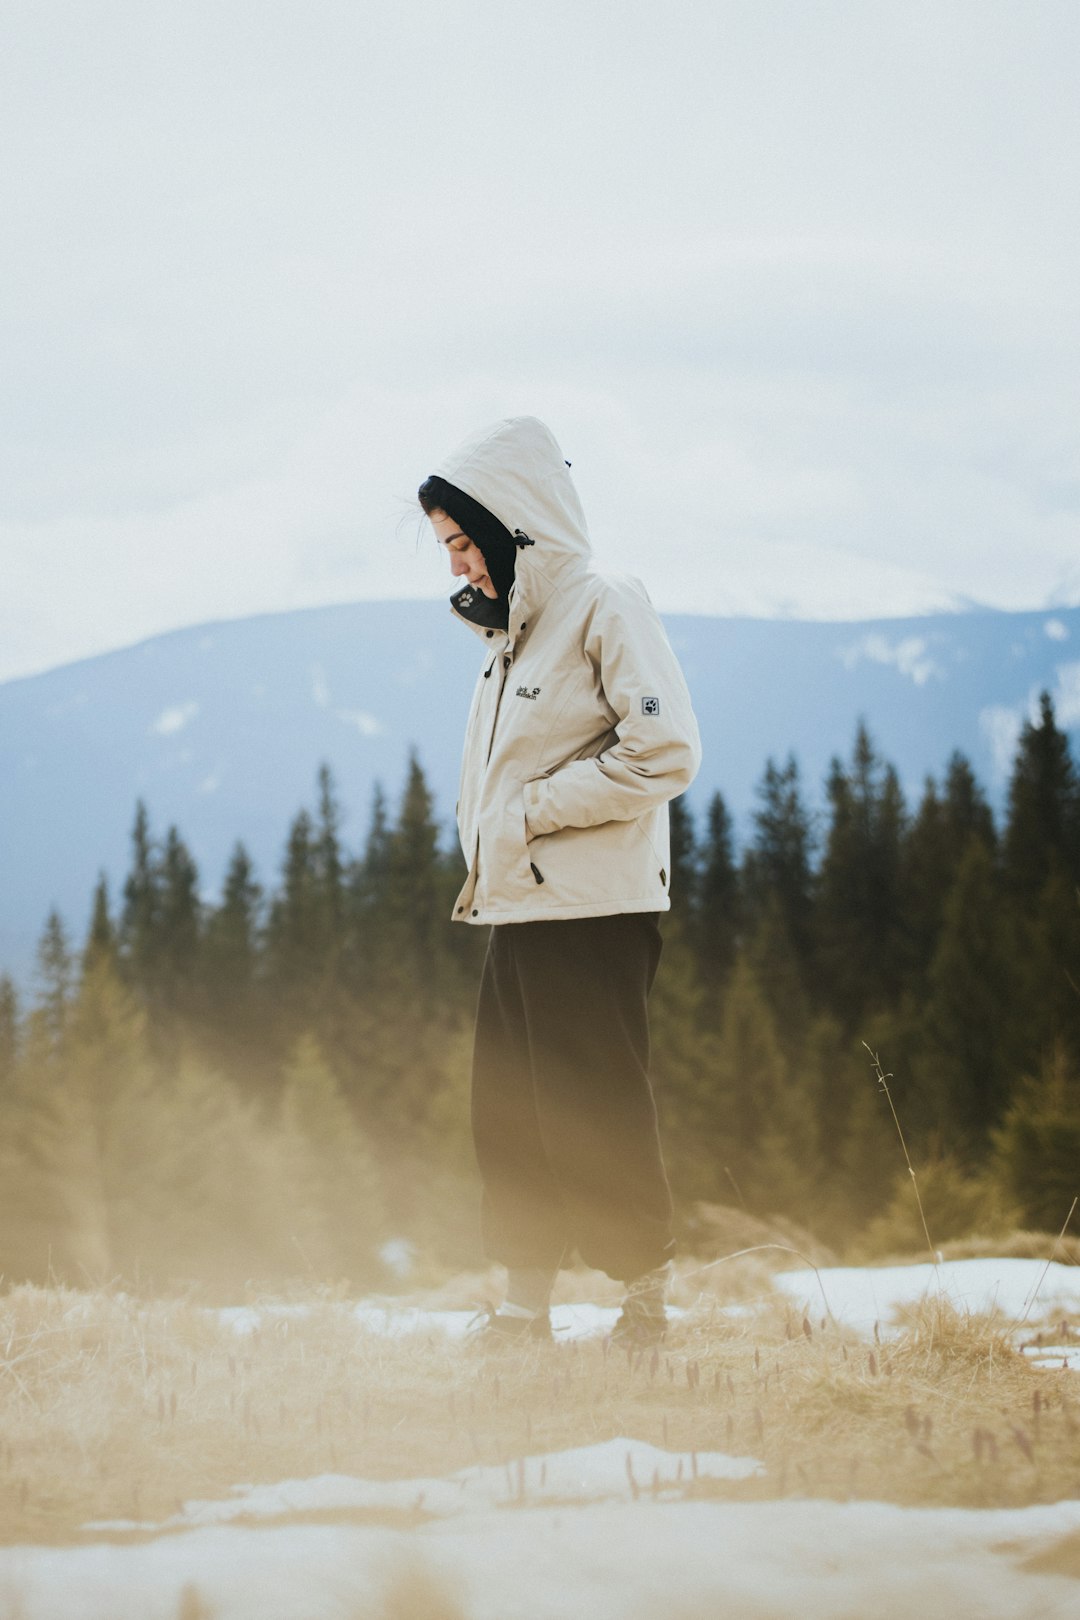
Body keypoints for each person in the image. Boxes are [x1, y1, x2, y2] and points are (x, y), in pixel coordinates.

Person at [419, 415, 701, 1346]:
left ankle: (643, 1304)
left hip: (596, 909)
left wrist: (535, 810)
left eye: (465, 543)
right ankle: (522, 1309)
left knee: (597, 1103)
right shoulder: (515, 638)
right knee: (508, 1110)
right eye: (449, 549)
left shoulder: (605, 602)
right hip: (523, 904)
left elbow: (664, 751)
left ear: (511, 527)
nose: (459, 565)